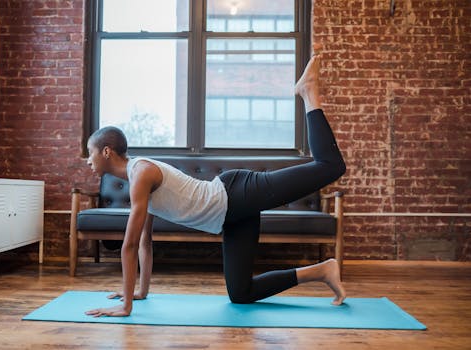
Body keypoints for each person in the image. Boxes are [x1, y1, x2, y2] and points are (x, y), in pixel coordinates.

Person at [85, 49, 347, 317]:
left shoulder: (140, 172)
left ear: (106, 151)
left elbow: (127, 246)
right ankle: (322, 270)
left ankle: (309, 92)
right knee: (241, 294)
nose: (87, 160)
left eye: (90, 152)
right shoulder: (136, 178)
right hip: (231, 216)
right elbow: (144, 243)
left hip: (237, 193)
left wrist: (125, 306)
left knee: (330, 166)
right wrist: (139, 292)